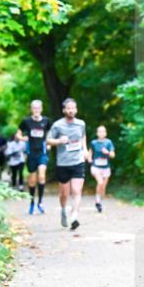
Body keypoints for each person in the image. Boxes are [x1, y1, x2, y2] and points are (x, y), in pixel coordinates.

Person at [47, 98, 87, 231]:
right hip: (63, 163)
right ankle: (63, 210)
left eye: (73, 108)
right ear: (64, 110)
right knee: (64, 193)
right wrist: (59, 141)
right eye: (68, 108)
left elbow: (83, 136)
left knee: (77, 191)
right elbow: (48, 141)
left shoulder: (81, 124)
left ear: (76, 110)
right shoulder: (57, 125)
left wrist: (85, 149)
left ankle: (74, 216)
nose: (71, 110)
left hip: (78, 161)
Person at [19, 100, 52, 214]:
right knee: (32, 180)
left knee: (42, 176)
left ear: (41, 109)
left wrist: (49, 142)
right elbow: (18, 134)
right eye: (34, 108)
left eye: (38, 108)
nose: (36, 110)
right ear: (31, 109)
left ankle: (40, 202)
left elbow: (50, 132)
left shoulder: (46, 121)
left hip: (42, 152)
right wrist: (23, 138)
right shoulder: (26, 121)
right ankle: (32, 202)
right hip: (31, 153)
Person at [88, 125, 115, 213]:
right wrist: (89, 158)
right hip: (96, 167)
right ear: (97, 133)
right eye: (99, 131)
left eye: (103, 131)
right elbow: (90, 152)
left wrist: (107, 152)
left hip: (106, 168)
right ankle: (97, 201)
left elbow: (113, 155)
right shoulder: (93, 142)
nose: (101, 133)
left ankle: (99, 200)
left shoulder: (108, 142)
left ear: (106, 133)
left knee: (103, 188)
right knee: (100, 182)